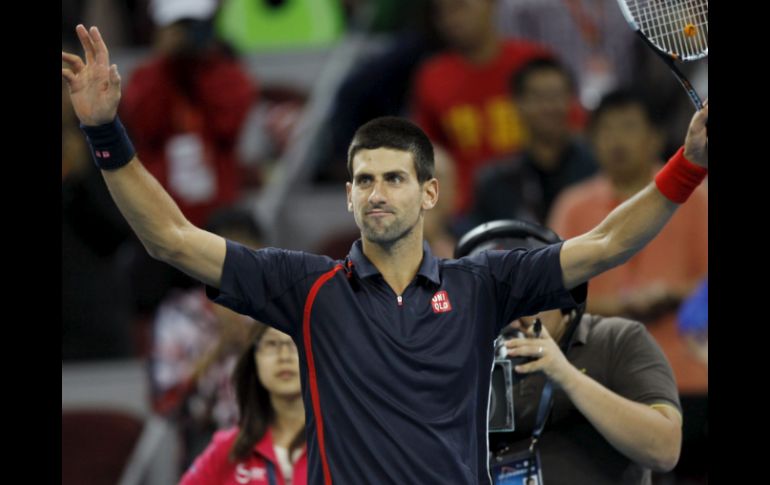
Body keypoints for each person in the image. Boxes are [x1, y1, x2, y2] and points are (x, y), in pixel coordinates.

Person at [62, 25, 707, 484]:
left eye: (394, 178)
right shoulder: (306, 288)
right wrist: (104, 132)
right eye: (363, 180)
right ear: (346, 196)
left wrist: (690, 163)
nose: (377, 193)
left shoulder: (483, 283)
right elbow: (169, 238)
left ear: (429, 192)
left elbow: (608, 242)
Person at [456, 220, 681, 484]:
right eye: (494, 302)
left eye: (524, 297)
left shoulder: (614, 339)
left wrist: (568, 377)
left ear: (561, 293)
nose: (511, 315)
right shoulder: (463, 359)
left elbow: (665, 449)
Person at [469, 57, 598, 226]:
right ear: (517, 103)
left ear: (571, 99)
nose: (548, 106)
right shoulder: (496, 182)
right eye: (537, 97)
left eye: (556, 95)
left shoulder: (597, 168)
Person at [180, 323, 307, 485]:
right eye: (271, 343)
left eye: (296, 342)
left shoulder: (342, 445)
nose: (284, 355)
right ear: (253, 359)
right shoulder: (228, 449)